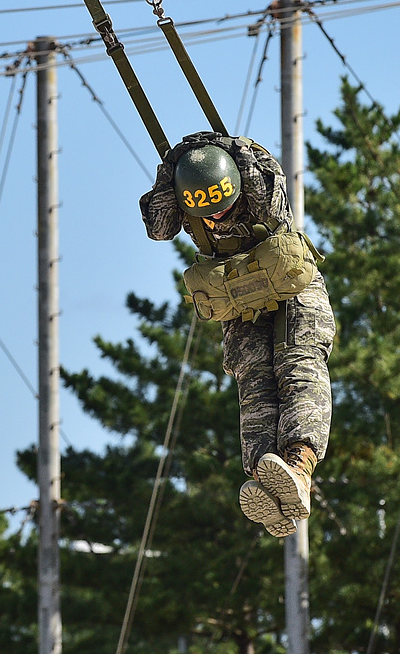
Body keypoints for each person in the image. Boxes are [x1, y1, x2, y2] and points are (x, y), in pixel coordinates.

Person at [139, 131, 336, 537]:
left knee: (298, 367)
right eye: (207, 214)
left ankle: (299, 465)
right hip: (242, 300)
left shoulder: (256, 180)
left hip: (294, 290)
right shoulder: (186, 197)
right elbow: (159, 229)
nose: (216, 220)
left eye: (223, 210)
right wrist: (169, 173)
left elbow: (269, 194)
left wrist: (236, 150)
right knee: (255, 381)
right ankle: (271, 477)